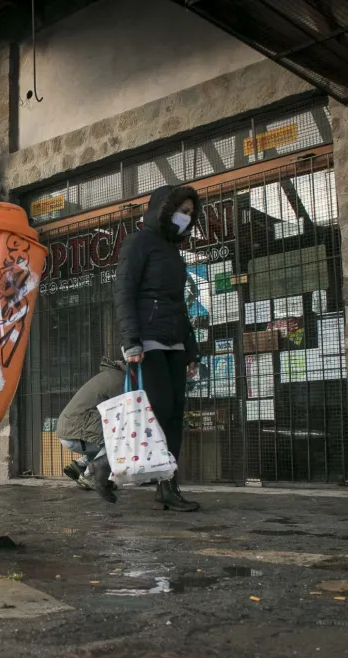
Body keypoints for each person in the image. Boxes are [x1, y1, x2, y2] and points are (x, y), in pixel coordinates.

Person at [113, 184, 202, 512]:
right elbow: (123, 291)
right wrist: (131, 340)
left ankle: (168, 486)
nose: (186, 218)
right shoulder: (138, 243)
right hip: (147, 341)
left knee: (175, 413)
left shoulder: (174, 253)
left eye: (191, 214)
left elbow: (180, 305)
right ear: (164, 209)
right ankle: (100, 466)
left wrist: (191, 350)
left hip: (174, 342)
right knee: (159, 409)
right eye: (182, 210)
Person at [57, 358, 126, 501]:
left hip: (70, 430)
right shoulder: (119, 380)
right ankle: (90, 474)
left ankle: (81, 464)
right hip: (76, 432)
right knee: (122, 439)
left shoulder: (110, 375)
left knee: (114, 436)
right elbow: (124, 415)